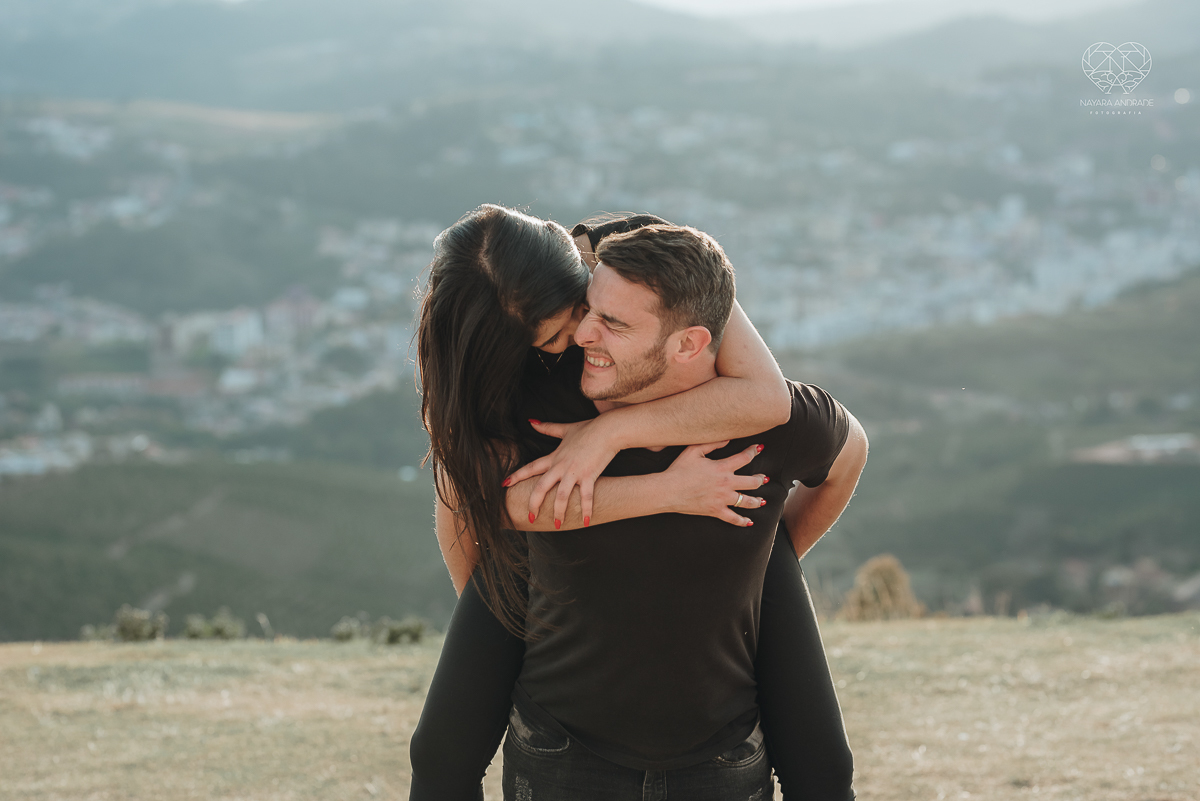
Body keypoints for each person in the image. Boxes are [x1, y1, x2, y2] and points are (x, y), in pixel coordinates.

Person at [410, 205, 863, 799]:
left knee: (824, 768)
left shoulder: (634, 262)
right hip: (536, 594)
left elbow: (772, 402)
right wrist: (523, 609)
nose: (578, 339)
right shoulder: (516, 386)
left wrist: (756, 559)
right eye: (553, 340)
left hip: (716, 720)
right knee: (440, 757)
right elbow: (488, 507)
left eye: (586, 314)